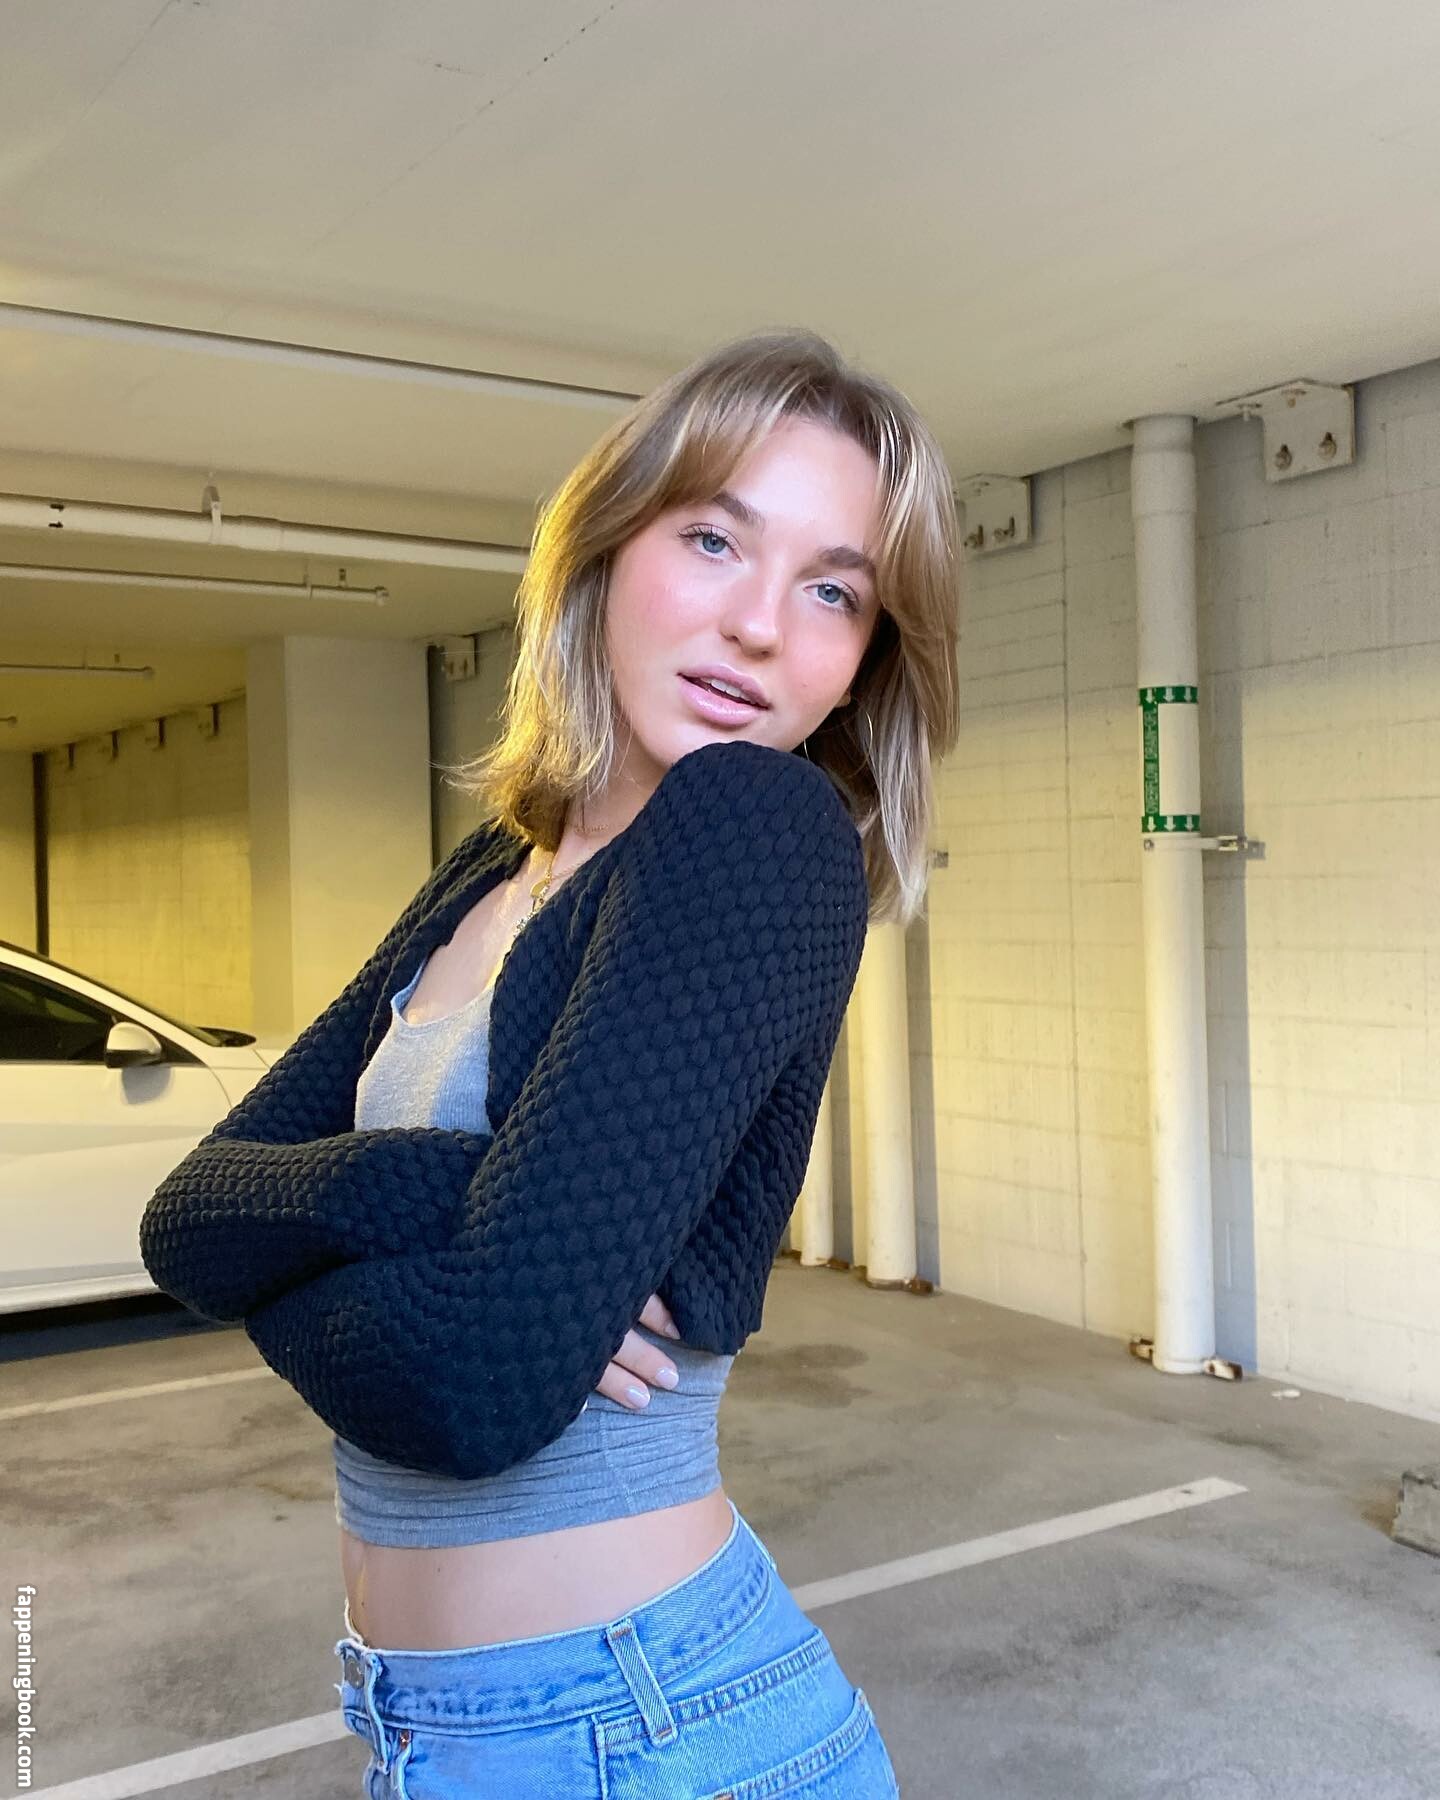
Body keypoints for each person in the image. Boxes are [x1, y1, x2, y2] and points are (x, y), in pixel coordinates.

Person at [143, 326, 959, 1796]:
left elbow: (471, 1386)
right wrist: (441, 1202)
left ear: (862, 665)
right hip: (450, 1727)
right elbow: (186, 1220)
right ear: (602, 547)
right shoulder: (491, 872)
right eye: (714, 539)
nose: (761, 625)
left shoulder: (756, 835)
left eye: (833, 590)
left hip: (648, 1730)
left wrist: (313, 1253)